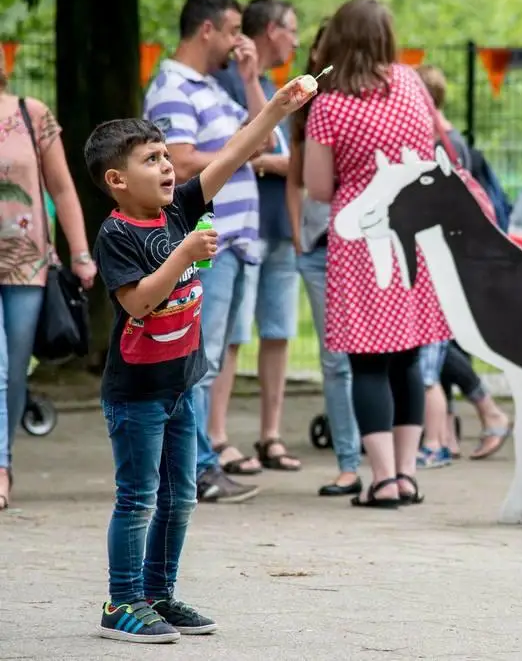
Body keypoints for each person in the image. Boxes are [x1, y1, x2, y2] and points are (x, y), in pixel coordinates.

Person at [88, 75, 313, 642]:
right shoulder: (117, 234)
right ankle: (122, 602)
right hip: (136, 394)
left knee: (180, 497)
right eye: (151, 160)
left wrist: (280, 108)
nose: (167, 167)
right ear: (117, 180)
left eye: (167, 156)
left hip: (181, 385)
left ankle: (159, 595)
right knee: (138, 499)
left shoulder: (182, 206)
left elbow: (237, 150)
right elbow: (139, 302)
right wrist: (185, 252)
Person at [303, 0, 497, 508]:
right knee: (408, 357)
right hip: (413, 234)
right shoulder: (411, 83)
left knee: (367, 362)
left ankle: (382, 478)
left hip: (361, 238)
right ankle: (408, 475)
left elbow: (319, 188)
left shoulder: (328, 103)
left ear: (337, 40)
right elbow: (443, 145)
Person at [143, 0, 265, 502]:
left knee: (208, 358)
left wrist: (254, 81)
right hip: (206, 243)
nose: (240, 40)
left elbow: (265, 140)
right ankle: (193, 469)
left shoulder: (215, 89)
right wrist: (235, 153)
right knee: (194, 359)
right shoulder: (174, 85)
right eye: (235, 29)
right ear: (207, 29)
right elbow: (177, 160)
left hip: (235, 243)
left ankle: (197, 464)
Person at [0, 48, 96, 511]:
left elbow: (62, 188)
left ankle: (5, 458)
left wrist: (80, 254)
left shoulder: (30, 113)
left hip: (28, 263)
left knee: (15, 369)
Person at [211, 0, 302, 473]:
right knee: (232, 333)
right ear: (271, 29)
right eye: (293, 29)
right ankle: (218, 434)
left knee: (279, 330)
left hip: (280, 225)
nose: (297, 40)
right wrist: (275, 163)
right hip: (242, 227)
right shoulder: (229, 81)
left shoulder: (269, 84)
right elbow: (241, 148)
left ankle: (270, 434)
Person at [413, 63, 511, 465]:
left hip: (444, 253)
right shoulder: (453, 140)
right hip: (454, 251)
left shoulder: (442, 142)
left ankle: (484, 414)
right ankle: (449, 433)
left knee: (433, 346)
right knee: (442, 344)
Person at [287, 21, 363, 496]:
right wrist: (298, 237)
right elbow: (297, 178)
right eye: (318, 46)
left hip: (361, 246)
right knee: (335, 361)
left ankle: (390, 457)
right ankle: (349, 461)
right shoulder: (304, 107)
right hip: (319, 248)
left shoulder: (364, 104)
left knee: (373, 356)